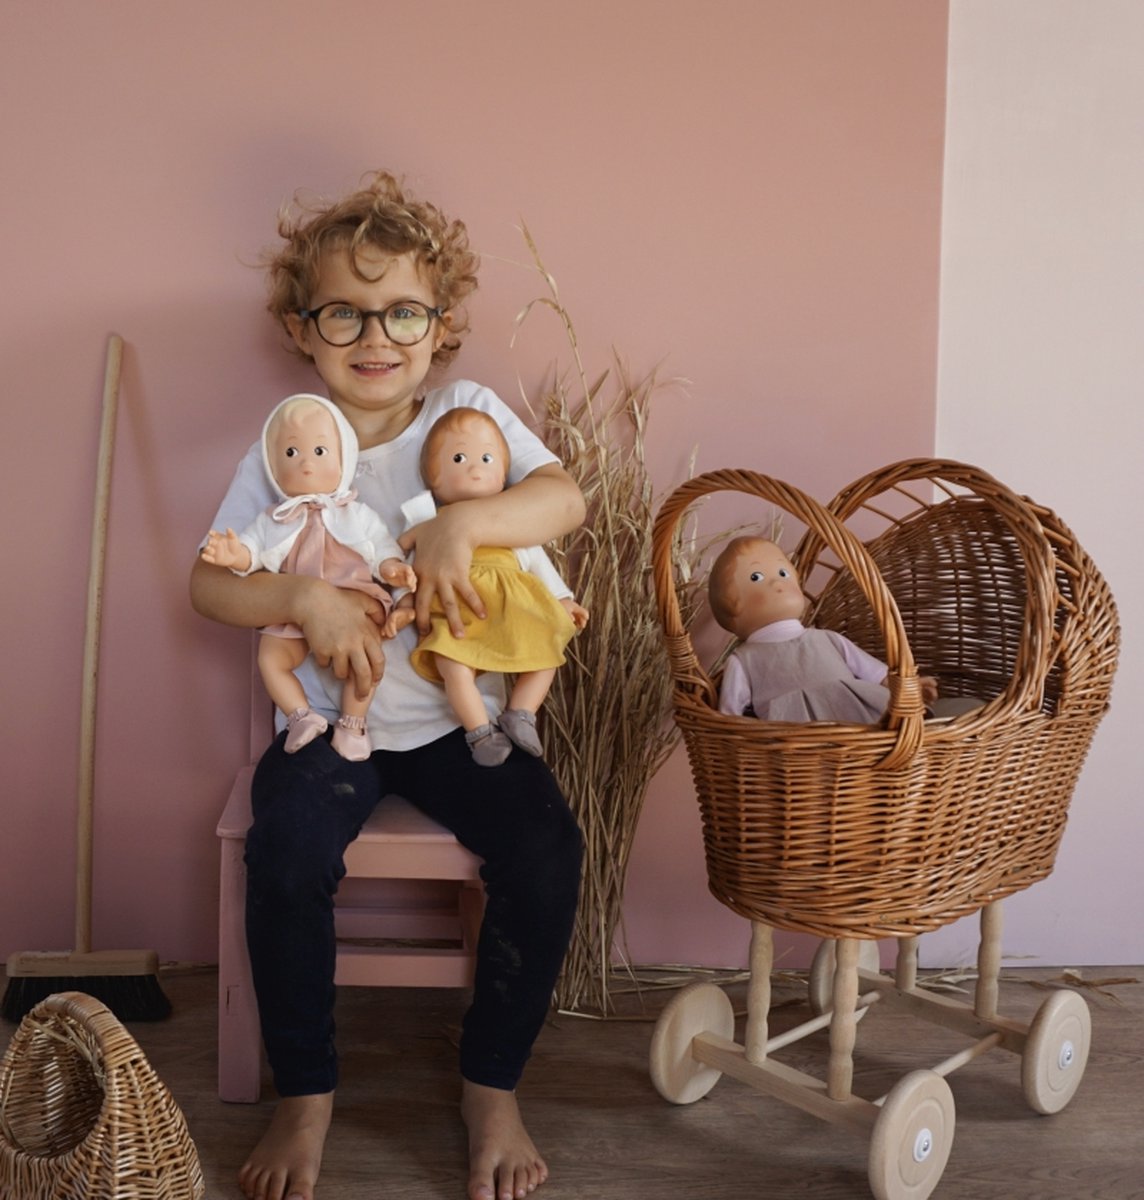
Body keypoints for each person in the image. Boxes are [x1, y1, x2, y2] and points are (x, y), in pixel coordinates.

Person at [190, 170, 586, 1200]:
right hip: (328, 726)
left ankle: (490, 1086)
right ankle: (306, 1094)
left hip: (465, 724)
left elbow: (562, 498)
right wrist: (303, 600)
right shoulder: (291, 443)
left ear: (440, 323)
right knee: (286, 857)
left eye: (404, 309)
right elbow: (206, 584)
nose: (378, 334)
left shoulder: (464, 413)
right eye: (345, 312)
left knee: (546, 850)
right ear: (301, 328)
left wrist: (464, 521)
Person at [201, 393, 416, 760]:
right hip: (294, 614)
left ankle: (352, 723)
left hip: (355, 602)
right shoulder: (273, 518)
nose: (304, 464)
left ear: (343, 457)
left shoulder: (355, 513)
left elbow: (378, 545)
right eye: (290, 454)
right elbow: (253, 552)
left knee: (361, 660)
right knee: (271, 659)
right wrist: (233, 555)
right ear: (272, 466)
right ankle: (301, 716)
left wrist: (390, 567)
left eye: (319, 452)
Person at [399, 406, 589, 765]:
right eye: (458, 458)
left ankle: (520, 713)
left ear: (503, 474)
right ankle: (480, 733)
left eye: (486, 458)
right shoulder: (428, 524)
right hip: (460, 619)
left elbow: (537, 563)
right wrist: (404, 603)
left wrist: (563, 599)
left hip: (513, 610)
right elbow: (414, 568)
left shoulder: (510, 523)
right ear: (433, 478)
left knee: (548, 650)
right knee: (452, 667)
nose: (474, 467)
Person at [709, 536, 939, 720]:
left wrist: (907, 688)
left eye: (783, 573)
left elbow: (875, 674)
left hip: (858, 718)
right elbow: (729, 715)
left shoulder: (827, 639)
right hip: (794, 736)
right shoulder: (743, 660)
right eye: (756, 577)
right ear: (732, 605)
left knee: (888, 716)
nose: (777, 582)